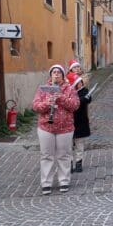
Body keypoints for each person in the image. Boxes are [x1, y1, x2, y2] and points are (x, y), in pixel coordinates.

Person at [32, 64, 79, 195]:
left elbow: (75, 105)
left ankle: (64, 180)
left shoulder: (69, 89)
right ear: (50, 75)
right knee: (46, 155)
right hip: (46, 127)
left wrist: (61, 98)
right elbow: (35, 106)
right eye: (54, 72)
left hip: (65, 128)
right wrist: (48, 104)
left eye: (59, 72)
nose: (56, 74)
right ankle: (46, 182)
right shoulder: (43, 89)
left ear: (63, 75)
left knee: (64, 155)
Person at [66, 72, 92, 173]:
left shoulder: (84, 90)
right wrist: (81, 100)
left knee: (79, 143)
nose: (80, 84)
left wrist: (85, 98)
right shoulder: (69, 92)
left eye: (81, 82)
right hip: (70, 121)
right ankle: (69, 163)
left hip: (81, 121)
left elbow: (88, 99)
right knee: (68, 144)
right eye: (78, 82)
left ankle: (78, 162)